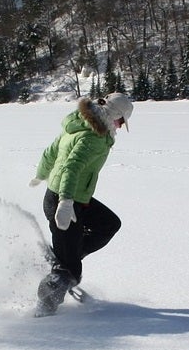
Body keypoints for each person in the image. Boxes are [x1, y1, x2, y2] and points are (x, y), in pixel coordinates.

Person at [28, 92, 133, 315]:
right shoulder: (92, 137)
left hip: (72, 197)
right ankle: (43, 311)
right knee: (70, 271)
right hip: (65, 202)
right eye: (121, 121)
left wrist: (41, 174)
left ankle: (67, 254)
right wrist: (65, 202)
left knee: (108, 224)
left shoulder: (80, 124)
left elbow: (51, 152)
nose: (120, 126)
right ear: (114, 114)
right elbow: (71, 167)